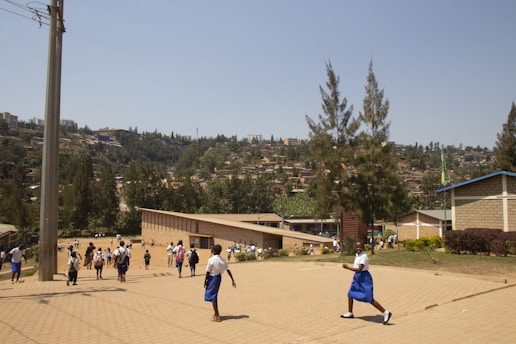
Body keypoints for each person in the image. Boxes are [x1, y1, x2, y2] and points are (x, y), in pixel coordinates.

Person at [341, 241, 392, 325]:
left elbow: (359, 269)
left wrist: (347, 267)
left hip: (364, 278)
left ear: (363, 248)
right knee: (350, 294)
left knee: (369, 298)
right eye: (357, 247)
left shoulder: (364, 256)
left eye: (360, 247)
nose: (358, 249)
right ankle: (350, 312)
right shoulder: (358, 255)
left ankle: (385, 312)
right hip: (357, 277)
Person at [204, 244, 236, 322]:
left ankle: (217, 315)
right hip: (218, 278)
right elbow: (228, 270)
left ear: (213, 251)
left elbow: (208, 271)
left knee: (213, 296)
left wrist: (205, 280)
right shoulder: (223, 260)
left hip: (212, 278)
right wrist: (232, 279)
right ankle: (216, 313)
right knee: (213, 295)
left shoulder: (211, 260)